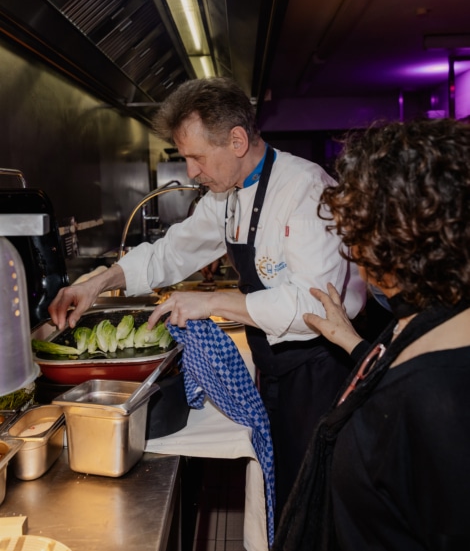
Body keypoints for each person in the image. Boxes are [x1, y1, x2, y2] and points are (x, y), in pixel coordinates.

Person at [48, 77, 366, 517]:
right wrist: (99, 282)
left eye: (196, 157)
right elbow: (175, 250)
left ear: (237, 141)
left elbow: (314, 308)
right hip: (275, 362)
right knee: (287, 487)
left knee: (318, 494)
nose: (191, 172)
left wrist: (212, 302)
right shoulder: (228, 194)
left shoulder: (306, 190)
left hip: (320, 367)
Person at [273, 117, 470, 551]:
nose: (351, 248)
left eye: (355, 231)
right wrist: (352, 341)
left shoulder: (439, 400)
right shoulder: (435, 315)